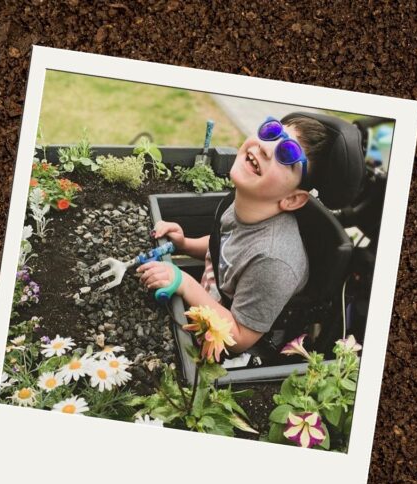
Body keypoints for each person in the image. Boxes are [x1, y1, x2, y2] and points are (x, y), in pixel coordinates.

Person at [139, 114, 333, 356]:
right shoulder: (246, 203)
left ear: (292, 199)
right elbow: (226, 250)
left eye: (287, 154)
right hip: (206, 304)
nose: (265, 147)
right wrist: (185, 244)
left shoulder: (273, 261)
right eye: (271, 131)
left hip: (222, 345)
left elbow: (239, 338)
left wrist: (184, 284)